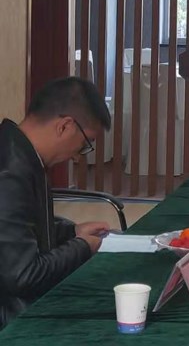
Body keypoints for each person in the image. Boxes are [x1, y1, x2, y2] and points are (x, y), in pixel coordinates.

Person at [0, 77, 112, 329]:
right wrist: (82, 247)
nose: (76, 156)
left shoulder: (20, 152)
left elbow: (19, 230)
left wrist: (72, 231)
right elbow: (24, 275)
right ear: (65, 126)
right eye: (84, 144)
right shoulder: (9, 173)